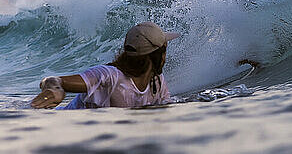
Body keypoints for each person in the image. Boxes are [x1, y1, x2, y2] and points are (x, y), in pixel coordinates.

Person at [30, 22, 180, 109]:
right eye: (164, 50)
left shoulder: (157, 80)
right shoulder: (109, 76)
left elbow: (165, 107)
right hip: (63, 124)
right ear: (156, 55)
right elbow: (54, 81)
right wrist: (55, 90)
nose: (165, 57)